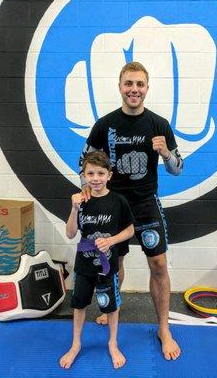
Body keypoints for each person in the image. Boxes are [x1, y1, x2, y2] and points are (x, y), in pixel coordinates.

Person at [79, 61, 183, 360]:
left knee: (159, 266)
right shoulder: (105, 124)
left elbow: (177, 169)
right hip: (113, 206)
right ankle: (112, 311)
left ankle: (164, 328)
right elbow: (83, 162)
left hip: (145, 203)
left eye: (139, 84)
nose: (134, 90)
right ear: (120, 86)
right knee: (115, 262)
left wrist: (165, 153)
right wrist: (86, 188)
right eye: (129, 84)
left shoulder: (159, 124)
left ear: (147, 88)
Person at [60, 151, 134, 370]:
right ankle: (75, 344)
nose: (95, 178)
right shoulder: (81, 200)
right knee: (79, 303)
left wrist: (111, 240)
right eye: (90, 173)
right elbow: (71, 234)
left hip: (107, 264)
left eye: (100, 173)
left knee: (110, 305)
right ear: (83, 175)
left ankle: (113, 343)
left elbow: (130, 230)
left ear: (109, 175)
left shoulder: (118, 200)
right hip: (84, 262)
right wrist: (74, 209)